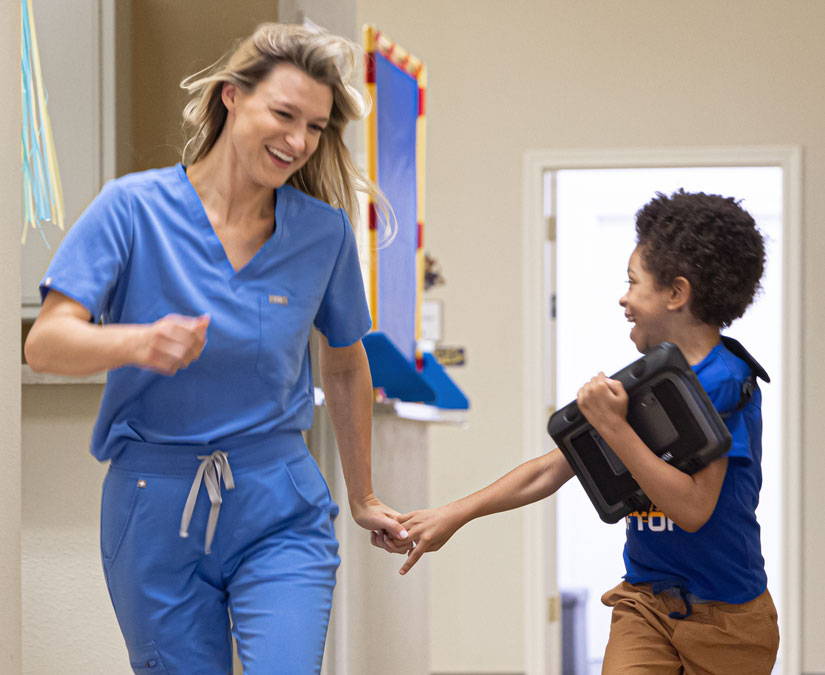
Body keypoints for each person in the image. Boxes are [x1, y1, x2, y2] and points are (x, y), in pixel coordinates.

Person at [24, 23, 410, 675]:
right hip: (153, 502)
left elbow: (344, 362)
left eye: (315, 127)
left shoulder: (321, 233)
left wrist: (364, 494)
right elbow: (46, 342)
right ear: (232, 97)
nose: (297, 141)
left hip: (279, 504)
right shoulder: (131, 209)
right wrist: (137, 341)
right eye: (284, 114)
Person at [394, 190, 780, 674]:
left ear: (676, 294)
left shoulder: (727, 383)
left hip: (727, 620)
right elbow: (552, 469)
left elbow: (693, 509)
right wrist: (454, 513)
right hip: (646, 603)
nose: (623, 297)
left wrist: (616, 429)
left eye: (633, 282)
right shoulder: (646, 381)